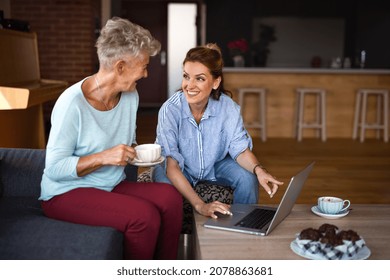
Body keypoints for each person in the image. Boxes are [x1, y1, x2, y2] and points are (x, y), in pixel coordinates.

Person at [39, 17, 182, 260]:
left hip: (110, 185)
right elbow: (54, 168)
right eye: (144, 66)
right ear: (120, 67)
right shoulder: (71, 103)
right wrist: (104, 157)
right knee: (143, 216)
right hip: (66, 193)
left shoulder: (129, 96)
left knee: (170, 198)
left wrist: (136, 152)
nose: (146, 74)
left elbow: (129, 140)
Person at [152, 43, 283, 219]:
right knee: (164, 186)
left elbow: (240, 150)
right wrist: (200, 205)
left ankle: (244, 225)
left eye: (199, 78)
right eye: (186, 76)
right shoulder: (170, 110)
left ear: (215, 82)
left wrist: (259, 170)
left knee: (247, 177)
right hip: (178, 167)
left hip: (215, 164)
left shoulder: (228, 108)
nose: (189, 85)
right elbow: (172, 165)